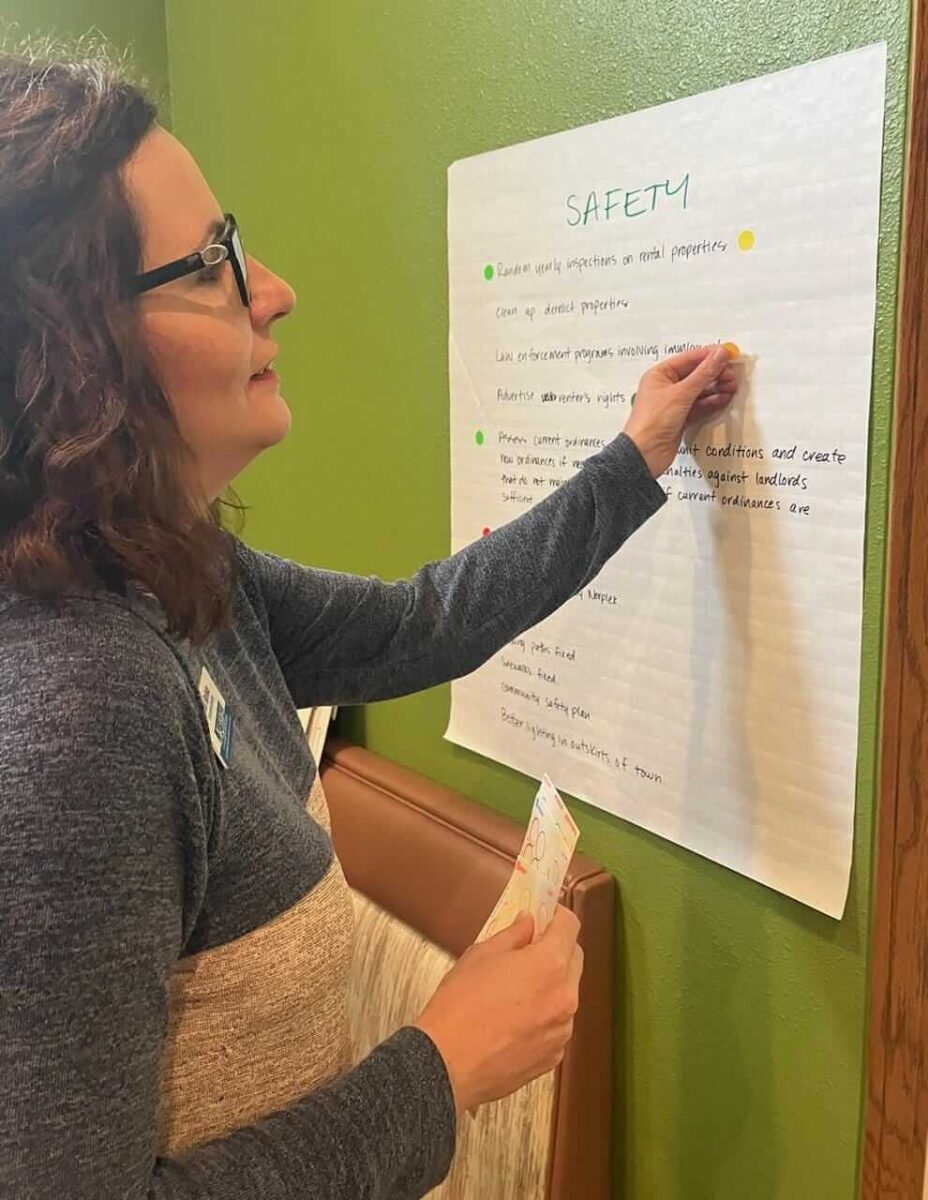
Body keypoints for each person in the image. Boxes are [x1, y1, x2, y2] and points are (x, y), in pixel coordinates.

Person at [0, 40, 736, 1200]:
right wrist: (444, 1068)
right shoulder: (73, 708)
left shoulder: (168, 570)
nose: (274, 289)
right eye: (212, 263)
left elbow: (417, 626)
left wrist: (633, 458)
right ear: (68, 352)